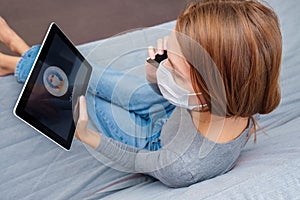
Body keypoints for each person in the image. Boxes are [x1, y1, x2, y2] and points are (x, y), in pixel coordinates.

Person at [0, 0, 282, 188]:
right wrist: (156, 73)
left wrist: (88, 136)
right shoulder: (242, 88)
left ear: (208, 91)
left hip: (152, 143)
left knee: (71, 90)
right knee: (87, 72)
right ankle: (16, 57)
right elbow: (184, 93)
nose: (164, 63)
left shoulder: (182, 166)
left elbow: (134, 159)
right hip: (172, 111)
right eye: (169, 51)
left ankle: (15, 53)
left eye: (174, 67)